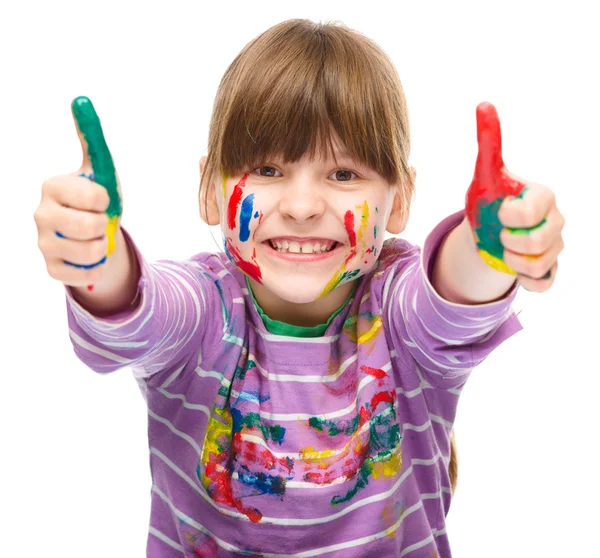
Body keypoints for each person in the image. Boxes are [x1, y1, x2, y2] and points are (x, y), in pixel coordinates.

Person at [33, 18, 565, 558]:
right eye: (266, 169)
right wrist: (97, 260)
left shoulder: (397, 316)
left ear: (399, 200)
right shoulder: (202, 312)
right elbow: (139, 312)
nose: (303, 206)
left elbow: (451, 298)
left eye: (343, 175)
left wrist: (489, 245)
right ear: (209, 192)